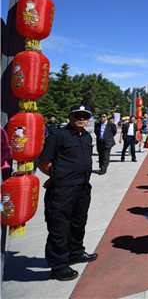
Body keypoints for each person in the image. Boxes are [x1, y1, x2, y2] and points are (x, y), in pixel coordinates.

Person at [37, 105, 98, 281]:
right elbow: (43, 163)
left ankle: (76, 252)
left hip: (83, 187)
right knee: (59, 226)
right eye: (77, 115)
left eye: (84, 115)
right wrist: (58, 177)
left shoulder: (86, 136)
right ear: (70, 117)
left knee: (78, 223)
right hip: (63, 190)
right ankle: (59, 266)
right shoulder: (58, 136)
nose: (81, 118)